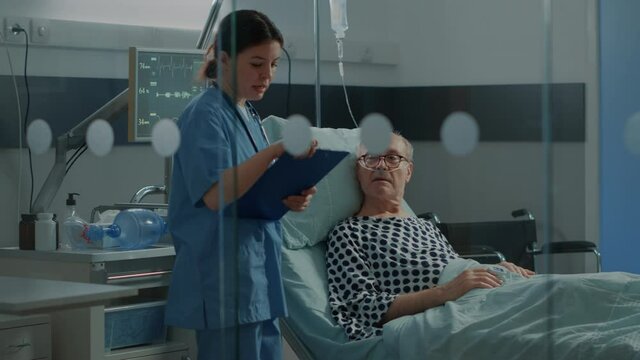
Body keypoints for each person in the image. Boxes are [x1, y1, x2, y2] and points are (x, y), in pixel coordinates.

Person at [165, 10, 316, 360]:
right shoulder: (204, 114)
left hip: (257, 280)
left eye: (275, 65)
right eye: (257, 64)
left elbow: (250, 188)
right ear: (225, 59)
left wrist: (288, 196)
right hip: (224, 284)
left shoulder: (247, 115)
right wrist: (278, 150)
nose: (267, 75)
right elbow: (218, 194)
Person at [325, 133, 533, 341]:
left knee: (558, 292)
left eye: (392, 158)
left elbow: (455, 269)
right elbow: (362, 307)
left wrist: (494, 269)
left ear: (409, 171)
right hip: (451, 310)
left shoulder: (426, 226)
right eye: (371, 158)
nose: (381, 165)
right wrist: (444, 292)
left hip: (485, 290)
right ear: (358, 172)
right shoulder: (348, 233)